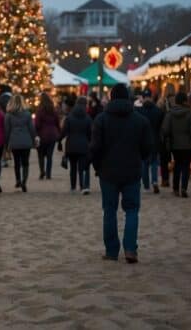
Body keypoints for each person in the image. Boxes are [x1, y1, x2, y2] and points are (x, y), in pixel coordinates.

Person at [90, 84, 152, 264]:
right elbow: (147, 147)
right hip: (132, 170)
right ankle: (130, 249)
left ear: (111, 97)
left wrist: (97, 167)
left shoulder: (101, 120)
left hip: (107, 172)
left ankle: (111, 250)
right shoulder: (140, 121)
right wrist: (140, 159)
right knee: (132, 210)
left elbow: (95, 147)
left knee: (109, 210)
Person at [161, 92, 191, 198]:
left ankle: (175, 188)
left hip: (175, 145)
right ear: (185, 101)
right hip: (188, 145)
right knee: (186, 166)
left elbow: (165, 130)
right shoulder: (190, 114)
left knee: (177, 165)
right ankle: (184, 188)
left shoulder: (170, 113)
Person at [4, 95, 36, 192]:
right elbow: (31, 128)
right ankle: (24, 181)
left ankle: (18, 180)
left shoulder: (9, 115)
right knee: (25, 162)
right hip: (26, 141)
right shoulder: (27, 114)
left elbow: (7, 130)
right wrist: (34, 139)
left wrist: (6, 142)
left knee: (17, 162)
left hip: (14, 141)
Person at [60, 96, 92, 194]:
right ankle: (83, 186)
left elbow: (64, 131)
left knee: (73, 167)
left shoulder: (69, 117)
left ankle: (73, 186)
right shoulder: (88, 118)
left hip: (71, 145)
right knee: (82, 167)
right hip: (83, 145)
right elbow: (90, 133)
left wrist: (59, 140)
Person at [135, 89, 163, 194]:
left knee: (144, 164)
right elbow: (161, 126)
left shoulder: (139, 111)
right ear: (151, 97)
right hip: (155, 139)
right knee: (154, 162)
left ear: (143, 98)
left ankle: (146, 185)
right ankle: (155, 181)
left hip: (143, 140)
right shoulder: (158, 111)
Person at [35, 92, 60, 180]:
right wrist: (58, 133)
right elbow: (57, 122)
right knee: (49, 156)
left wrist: (36, 133)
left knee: (40, 155)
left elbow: (37, 124)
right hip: (52, 135)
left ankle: (42, 171)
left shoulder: (40, 110)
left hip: (42, 135)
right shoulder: (53, 110)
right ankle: (48, 174)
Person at [158, 84, 176, 187]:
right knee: (176, 157)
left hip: (164, 134)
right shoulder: (177, 101)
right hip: (176, 133)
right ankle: (176, 181)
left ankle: (165, 179)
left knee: (164, 158)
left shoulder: (161, 102)